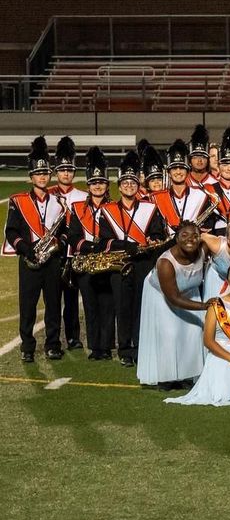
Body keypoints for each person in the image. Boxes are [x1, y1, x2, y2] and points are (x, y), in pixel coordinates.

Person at [101, 150, 168, 368]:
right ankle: (124, 349)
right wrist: (125, 245)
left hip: (143, 264)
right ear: (119, 187)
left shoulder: (150, 208)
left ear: (138, 185)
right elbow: (104, 242)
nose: (129, 186)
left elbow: (158, 233)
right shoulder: (108, 210)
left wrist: (153, 238)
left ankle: (140, 347)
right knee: (123, 308)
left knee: (141, 306)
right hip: (119, 265)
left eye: (132, 182)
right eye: (125, 183)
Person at [4, 136, 67, 363]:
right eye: (38, 174)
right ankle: (27, 347)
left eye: (45, 173)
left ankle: (53, 344)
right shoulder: (18, 201)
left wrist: (59, 243)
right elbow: (11, 232)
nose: (42, 177)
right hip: (29, 261)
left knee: (53, 305)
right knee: (28, 306)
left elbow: (65, 230)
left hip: (52, 261)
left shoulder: (59, 202)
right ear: (31, 177)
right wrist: (25, 248)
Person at [166, 262, 230, 406]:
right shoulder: (216, 305)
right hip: (221, 356)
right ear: (227, 280)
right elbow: (208, 341)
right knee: (221, 394)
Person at [137, 222, 209, 388]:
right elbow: (174, 298)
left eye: (195, 236)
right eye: (184, 235)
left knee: (193, 333)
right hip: (161, 295)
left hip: (189, 292)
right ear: (176, 238)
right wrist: (204, 306)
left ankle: (186, 375)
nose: (190, 239)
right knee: (169, 334)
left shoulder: (203, 249)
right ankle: (165, 377)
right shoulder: (165, 262)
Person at [67, 147, 115, 361]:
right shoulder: (78, 208)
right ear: (88, 185)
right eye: (94, 182)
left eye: (101, 182)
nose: (98, 186)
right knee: (90, 306)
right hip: (86, 264)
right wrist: (91, 247)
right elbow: (73, 237)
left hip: (107, 264)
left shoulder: (115, 207)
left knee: (108, 306)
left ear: (107, 185)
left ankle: (106, 347)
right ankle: (95, 347)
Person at [49, 135, 86, 350]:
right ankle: (53, 340)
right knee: (53, 301)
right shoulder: (47, 195)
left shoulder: (83, 196)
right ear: (56, 172)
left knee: (72, 300)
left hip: (74, 256)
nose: (66, 173)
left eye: (69, 170)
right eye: (62, 170)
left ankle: (73, 337)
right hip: (54, 256)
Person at [153, 138, 213, 236]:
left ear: (188, 171)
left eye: (181, 168)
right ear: (169, 173)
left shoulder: (201, 194)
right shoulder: (157, 197)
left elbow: (208, 224)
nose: (178, 172)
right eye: (174, 169)